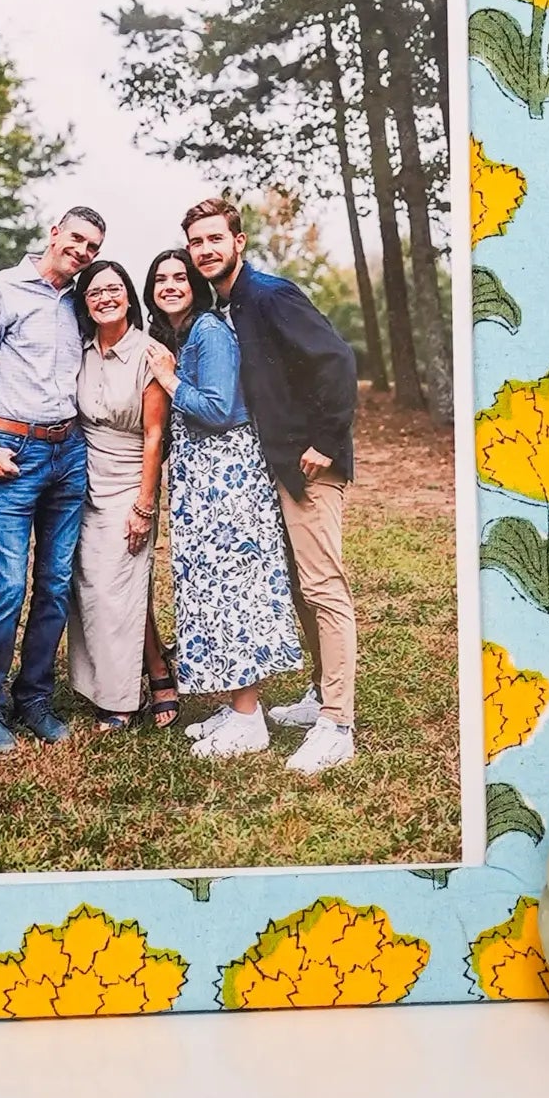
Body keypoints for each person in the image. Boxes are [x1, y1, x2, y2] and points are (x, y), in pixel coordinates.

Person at [182, 192, 361, 777]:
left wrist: (325, 442)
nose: (205, 250)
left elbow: (337, 361)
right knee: (300, 587)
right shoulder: (232, 306)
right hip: (275, 467)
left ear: (238, 242)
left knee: (323, 587)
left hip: (310, 465)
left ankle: (337, 724)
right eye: (196, 242)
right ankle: (320, 692)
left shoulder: (270, 294)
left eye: (215, 239)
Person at [0, 204, 106, 752]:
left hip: (68, 453)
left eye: (92, 247)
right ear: (54, 232)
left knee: (55, 583)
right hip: (11, 452)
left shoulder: (80, 300)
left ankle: (35, 697)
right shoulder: (1, 289)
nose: (82, 252)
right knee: (6, 586)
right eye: (77, 239)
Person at [154, 236, 306, 758]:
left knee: (233, 591)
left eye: (179, 277)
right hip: (202, 481)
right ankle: (238, 705)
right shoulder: (185, 333)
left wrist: (169, 379)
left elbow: (219, 410)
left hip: (228, 479)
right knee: (212, 591)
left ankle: (248, 720)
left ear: (195, 285)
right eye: (160, 279)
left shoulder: (209, 330)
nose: (170, 286)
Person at [64, 259, 168, 727]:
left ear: (128, 296)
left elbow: (154, 436)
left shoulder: (149, 353)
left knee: (116, 590)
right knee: (92, 588)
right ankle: (148, 671)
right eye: (94, 292)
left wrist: (144, 505)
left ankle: (122, 700)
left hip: (129, 480)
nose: (105, 298)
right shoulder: (80, 351)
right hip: (84, 481)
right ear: (85, 303)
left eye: (114, 289)